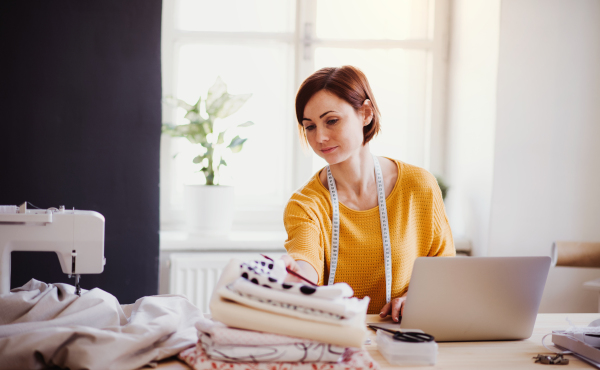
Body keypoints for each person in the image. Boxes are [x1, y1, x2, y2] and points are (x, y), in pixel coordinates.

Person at [281, 66, 455, 322]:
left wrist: (417, 298)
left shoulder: (419, 186)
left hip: (405, 334)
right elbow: (306, 259)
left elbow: (444, 266)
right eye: (309, 127)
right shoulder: (306, 204)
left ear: (365, 113)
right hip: (335, 339)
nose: (320, 137)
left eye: (331, 121)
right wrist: (294, 276)